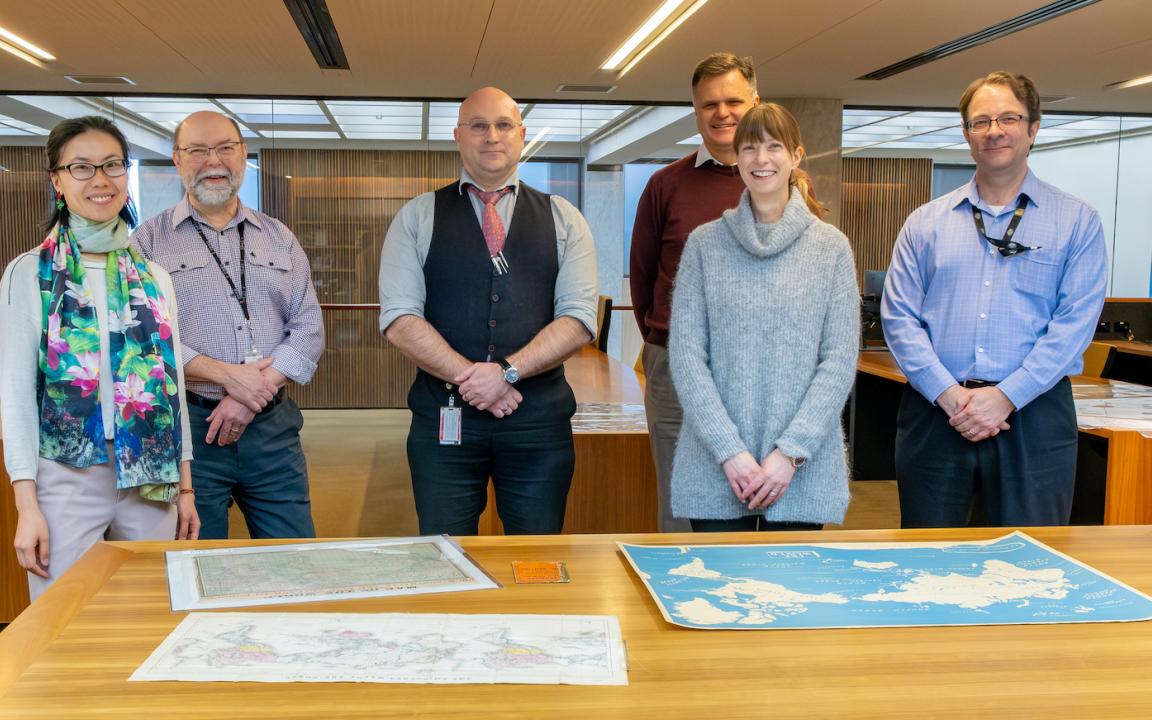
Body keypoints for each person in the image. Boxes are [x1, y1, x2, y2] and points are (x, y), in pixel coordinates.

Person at [881, 71, 1108, 528]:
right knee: (928, 558)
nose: (994, 130)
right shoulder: (925, 223)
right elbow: (898, 318)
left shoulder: (1077, 221)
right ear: (966, 135)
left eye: (1008, 117)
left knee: (1031, 562)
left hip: (1034, 416)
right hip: (936, 413)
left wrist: (1005, 397)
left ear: (1033, 128)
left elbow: (1073, 326)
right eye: (980, 121)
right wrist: (950, 397)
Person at [379, 86, 598, 536]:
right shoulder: (417, 216)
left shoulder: (564, 218)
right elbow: (400, 320)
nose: (491, 137)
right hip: (445, 423)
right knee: (445, 553)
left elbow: (577, 320)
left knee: (536, 555)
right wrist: (472, 378)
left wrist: (506, 374)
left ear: (521, 136)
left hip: (538, 426)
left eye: (502, 126)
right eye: (478, 126)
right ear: (459, 137)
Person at [1, 116, 199, 599]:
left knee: (152, 612)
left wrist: (187, 487)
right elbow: (15, 398)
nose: (101, 180)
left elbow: (173, 391)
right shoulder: (29, 275)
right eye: (82, 167)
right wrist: (26, 506)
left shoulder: (154, 277)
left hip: (150, 478)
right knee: (62, 619)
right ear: (58, 180)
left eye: (112, 165)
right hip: (67, 476)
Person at [668, 103, 860, 532]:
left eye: (774, 146)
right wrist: (729, 451)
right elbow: (686, 356)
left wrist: (790, 452)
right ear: (736, 158)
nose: (761, 159)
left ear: (796, 156)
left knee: (790, 596)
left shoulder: (831, 249)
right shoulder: (704, 245)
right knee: (712, 595)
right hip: (717, 467)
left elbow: (838, 361)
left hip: (800, 470)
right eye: (750, 148)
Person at [132, 111, 324, 540]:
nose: (212, 161)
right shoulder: (145, 244)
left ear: (243, 156)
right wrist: (228, 377)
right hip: (189, 433)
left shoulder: (279, 238)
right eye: (197, 150)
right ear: (177, 160)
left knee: (296, 555)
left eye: (225, 148)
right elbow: (142, 343)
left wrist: (251, 395)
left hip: (272, 429)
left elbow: (309, 327)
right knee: (196, 560)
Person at [630, 52, 759, 532]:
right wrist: (665, 335)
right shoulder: (665, 184)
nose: (722, 113)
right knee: (681, 497)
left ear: (755, 102)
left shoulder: (787, 183)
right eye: (709, 104)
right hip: (676, 367)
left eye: (733, 101)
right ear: (695, 110)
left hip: (759, 368)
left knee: (753, 494)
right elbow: (643, 276)